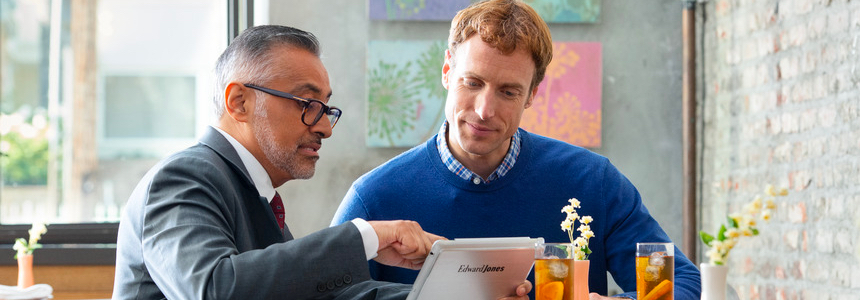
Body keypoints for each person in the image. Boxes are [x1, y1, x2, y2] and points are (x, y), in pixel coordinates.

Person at [112, 25, 531, 300]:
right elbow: (214, 289)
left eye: (326, 108)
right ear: (238, 101)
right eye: (308, 103)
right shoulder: (183, 179)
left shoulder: (249, 192)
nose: (325, 128)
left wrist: (463, 293)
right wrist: (366, 235)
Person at [331, 0, 701, 299]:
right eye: (472, 82)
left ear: (532, 95)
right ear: (447, 70)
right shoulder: (374, 199)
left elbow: (682, 282)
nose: (484, 110)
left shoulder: (594, 182)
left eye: (508, 92)